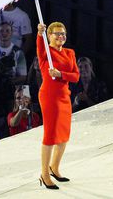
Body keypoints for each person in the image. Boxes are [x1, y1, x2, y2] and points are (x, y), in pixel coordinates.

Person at [37, 22, 79, 190]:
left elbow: (76, 76)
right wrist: (40, 34)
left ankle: (54, 167)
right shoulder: (45, 52)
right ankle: (44, 174)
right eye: (57, 34)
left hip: (64, 96)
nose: (61, 36)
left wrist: (61, 74)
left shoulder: (70, 52)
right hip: (49, 97)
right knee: (50, 136)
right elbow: (40, 44)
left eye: (63, 34)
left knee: (63, 134)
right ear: (50, 36)